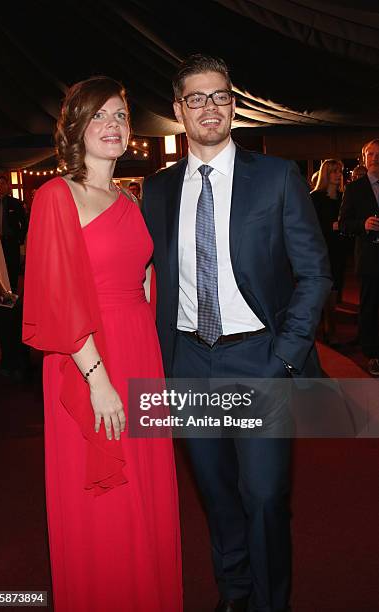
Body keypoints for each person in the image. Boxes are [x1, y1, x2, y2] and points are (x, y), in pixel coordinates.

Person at [143, 54, 331, 612]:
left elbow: (316, 272)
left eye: (220, 95)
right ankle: (234, 595)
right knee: (219, 499)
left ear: (234, 103)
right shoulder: (157, 190)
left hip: (259, 361)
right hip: (189, 365)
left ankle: (271, 603)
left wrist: (286, 358)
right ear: (179, 110)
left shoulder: (276, 177)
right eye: (196, 98)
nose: (209, 107)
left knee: (267, 498)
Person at [22, 76, 182, 612]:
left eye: (119, 115)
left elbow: (142, 282)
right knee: (107, 502)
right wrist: (99, 380)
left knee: (146, 490)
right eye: (98, 116)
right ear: (74, 128)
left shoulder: (128, 200)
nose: (111, 125)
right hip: (89, 360)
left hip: (139, 354)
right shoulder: (54, 195)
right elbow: (55, 297)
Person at [339, 139, 379, 376]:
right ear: (364, 158)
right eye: (371, 154)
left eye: (378, 154)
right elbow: (343, 225)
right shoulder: (355, 189)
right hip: (370, 259)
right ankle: (373, 354)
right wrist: (362, 224)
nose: (375, 158)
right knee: (371, 307)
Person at [311, 159, 347, 346]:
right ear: (326, 174)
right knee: (325, 290)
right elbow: (309, 226)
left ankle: (329, 328)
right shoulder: (315, 197)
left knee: (335, 289)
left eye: (339, 171)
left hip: (339, 250)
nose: (338, 174)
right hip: (321, 250)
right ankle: (327, 329)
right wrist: (330, 226)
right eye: (333, 171)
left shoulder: (343, 197)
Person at [0, 175, 27, 292]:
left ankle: (13, 294)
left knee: (13, 270)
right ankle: (0, 295)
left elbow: (24, 223)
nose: (0, 186)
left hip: (12, 242)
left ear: (8, 186)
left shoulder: (16, 203)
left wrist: (20, 240)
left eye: (3, 183)